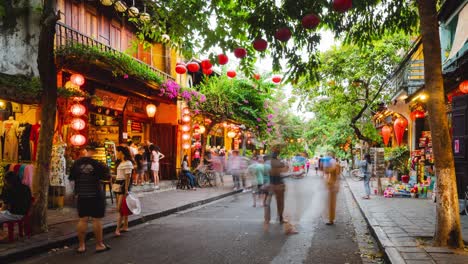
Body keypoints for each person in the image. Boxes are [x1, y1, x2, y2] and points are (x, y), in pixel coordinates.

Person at [69, 146, 111, 253]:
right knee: (96, 219)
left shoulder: (76, 164)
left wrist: (75, 192)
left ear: (85, 151)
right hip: (96, 195)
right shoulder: (97, 164)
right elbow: (107, 177)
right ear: (93, 152)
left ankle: (81, 246)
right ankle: (99, 245)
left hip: (82, 195)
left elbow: (71, 180)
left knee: (83, 219)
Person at [0, 172, 32, 240]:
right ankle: (2, 233)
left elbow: (5, 205)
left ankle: (3, 234)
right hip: (24, 213)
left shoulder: (10, 189)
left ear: (8, 181)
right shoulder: (26, 187)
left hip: (14, 214)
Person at [264, 147, 289, 231]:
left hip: (271, 184)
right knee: (280, 203)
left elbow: (266, 171)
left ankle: (267, 220)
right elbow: (285, 170)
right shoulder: (280, 162)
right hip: (278, 184)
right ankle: (280, 218)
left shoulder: (268, 162)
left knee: (268, 203)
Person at [114, 146, 134, 236]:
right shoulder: (121, 162)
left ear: (121, 152)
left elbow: (128, 177)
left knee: (120, 209)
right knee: (122, 207)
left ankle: (117, 229)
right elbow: (119, 175)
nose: (116, 154)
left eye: (117, 152)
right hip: (118, 185)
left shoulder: (128, 163)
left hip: (122, 186)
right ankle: (125, 226)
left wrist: (126, 189)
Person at [322, 152, 341, 225]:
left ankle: (331, 219)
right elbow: (326, 172)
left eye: (328, 156)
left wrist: (337, 185)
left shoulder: (336, 165)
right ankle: (330, 218)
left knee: (332, 203)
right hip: (329, 184)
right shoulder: (330, 165)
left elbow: (338, 176)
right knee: (329, 202)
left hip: (333, 185)